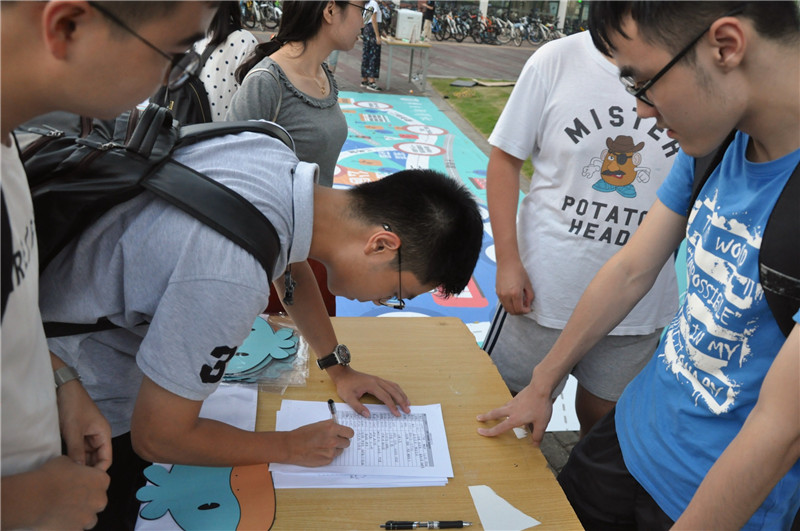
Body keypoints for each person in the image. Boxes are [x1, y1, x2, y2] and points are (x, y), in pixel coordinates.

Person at [39, 130, 484, 527]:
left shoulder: (272, 157)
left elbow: (289, 264)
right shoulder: (231, 274)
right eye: (397, 292)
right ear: (381, 244)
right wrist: (289, 447)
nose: (382, 302)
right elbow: (157, 436)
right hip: (68, 382)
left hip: (58, 301)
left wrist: (337, 366)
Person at [477, 2, 800, 529]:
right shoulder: (719, 142)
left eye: (643, 82)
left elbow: (781, 428)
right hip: (625, 439)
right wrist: (543, 382)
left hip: (712, 498)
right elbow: (631, 268)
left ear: (726, 46)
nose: (642, 110)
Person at [0, 2, 218, 530]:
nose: (171, 81)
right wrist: (18, 503)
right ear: (67, 26)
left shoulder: (8, 149)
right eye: (175, 55)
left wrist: (61, 382)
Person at [481, 29, 679, 439]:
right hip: (542, 293)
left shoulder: (688, 70)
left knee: (604, 431)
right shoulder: (557, 59)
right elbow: (505, 159)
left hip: (636, 308)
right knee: (505, 418)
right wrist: (509, 261)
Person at [229, 0, 371, 186]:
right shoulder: (264, 82)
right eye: (362, 10)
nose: (363, 23)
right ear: (330, 10)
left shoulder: (322, 73)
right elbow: (232, 172)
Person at [194, 1, 258, 121]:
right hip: (223, 130)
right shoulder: (244, 41)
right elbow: (249, 105)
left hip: (184, 128)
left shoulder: (186, 35)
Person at [361, 0, 383, 91]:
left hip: (367, 30)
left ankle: (364, 78)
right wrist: (377, 35)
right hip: (372, 31)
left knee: (366, 54)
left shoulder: (367, 4)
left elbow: (365, 19)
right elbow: (374, 19)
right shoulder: (374, 3)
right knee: (374, 55)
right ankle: (372, 81)